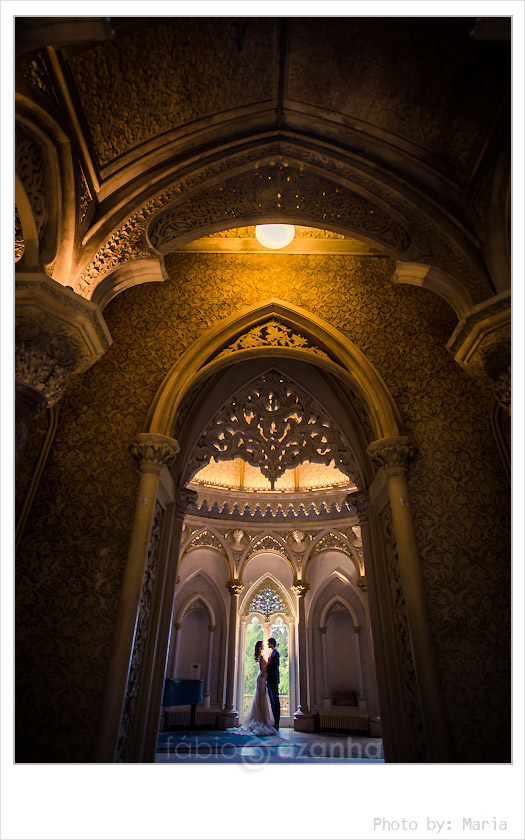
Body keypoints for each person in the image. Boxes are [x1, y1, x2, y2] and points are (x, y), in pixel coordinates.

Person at [228, 641, 277, 736]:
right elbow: (262, 669)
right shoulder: (261, 656)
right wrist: (269, 661)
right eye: (263, 644)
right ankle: (261, 719)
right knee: (261, 697)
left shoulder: (260, 656)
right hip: (262, 677)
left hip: (261, 678)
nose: (264, 645)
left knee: (261, 697)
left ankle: (261, 718)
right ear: (259, 646)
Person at [266, 637, 280, 730]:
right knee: (273, 700)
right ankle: (274, 721)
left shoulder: (276, 654)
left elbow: (274, 667)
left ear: (272, 644)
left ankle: (277, 722)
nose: (268, 645)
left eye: (269, 643)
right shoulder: (273, 653)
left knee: (275, 700)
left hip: (273, 679)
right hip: (270, 679)